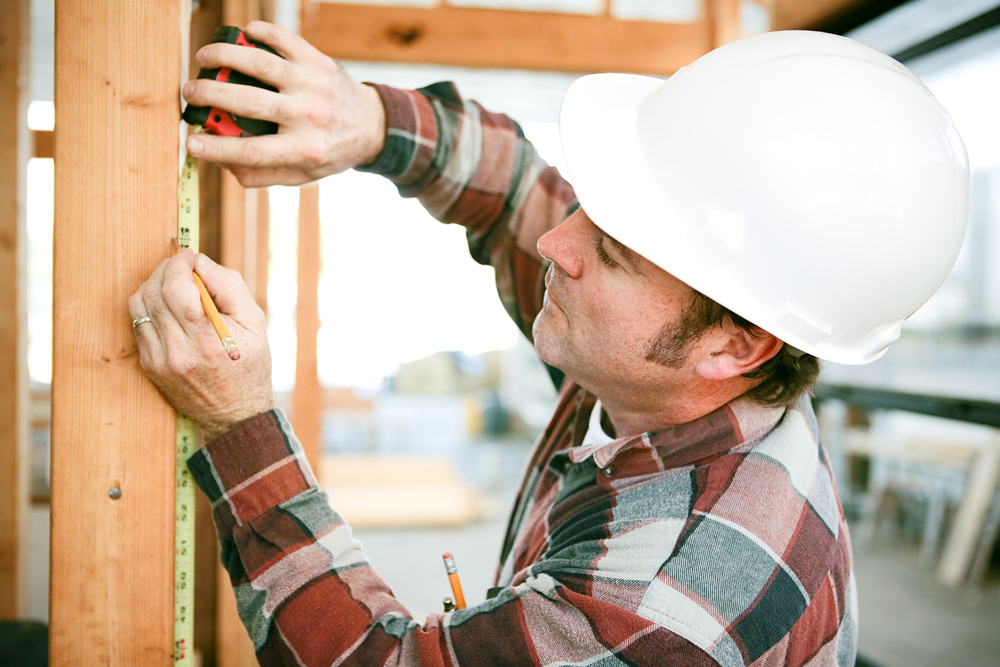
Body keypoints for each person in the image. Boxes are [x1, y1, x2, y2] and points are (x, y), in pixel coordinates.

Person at [129, 22, 969, 666]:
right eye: (592, 212)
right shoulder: (668, 361)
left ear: (735, 345)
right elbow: (516, 191)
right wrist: (368, 121)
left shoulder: (671, 595)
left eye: (609, 251)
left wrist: (238, 422)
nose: (557, 243)